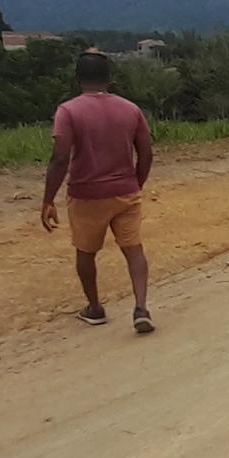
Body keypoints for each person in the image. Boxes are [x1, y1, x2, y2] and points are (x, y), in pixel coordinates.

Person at [41, 49, 156, 333]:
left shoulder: (68, 111)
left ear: (78, 78)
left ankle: (94, 308)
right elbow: (146, 152)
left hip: (86, 194)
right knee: (134, 250)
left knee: (86, 252)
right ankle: (141, 307)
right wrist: (135, 183)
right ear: (109, 78)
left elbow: (60, 157)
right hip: (125, 192)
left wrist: (48, 199)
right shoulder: (131, 109)